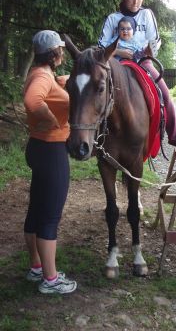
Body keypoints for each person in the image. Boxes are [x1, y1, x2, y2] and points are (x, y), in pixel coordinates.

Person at [98, 0, 176, 150]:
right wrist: (120, 52)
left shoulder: (147, 14)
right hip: (116, 63)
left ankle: (175, 136)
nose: (136, 2)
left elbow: (154, 40)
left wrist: (149, 50)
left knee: (164, 92)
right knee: (95, 90)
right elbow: (101, 46)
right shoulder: (113, 18)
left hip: (142, 62)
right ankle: (94, 139)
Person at [23, 30, 77, 294]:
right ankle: (51, 280)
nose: (63, 53)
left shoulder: (40, 73)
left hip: (38, 147)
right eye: (61, 49)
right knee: (50, 216)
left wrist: (61, 83)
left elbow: (45, 89)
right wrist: (52, 121)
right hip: (51, 150)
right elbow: (33, 100)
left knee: (36, 209)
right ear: (54, 53)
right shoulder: (43, 77)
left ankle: (36, 267)